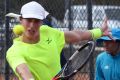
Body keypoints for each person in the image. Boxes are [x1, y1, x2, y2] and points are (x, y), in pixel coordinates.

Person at [6, 1, 111, 80]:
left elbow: (75, 35)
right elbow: (23, 70)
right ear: (21, 20)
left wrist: (100, 31)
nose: (32, 25)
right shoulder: (14, 51)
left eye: (37, 21)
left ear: (42, 22)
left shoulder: (48, 32)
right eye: (28, 20)